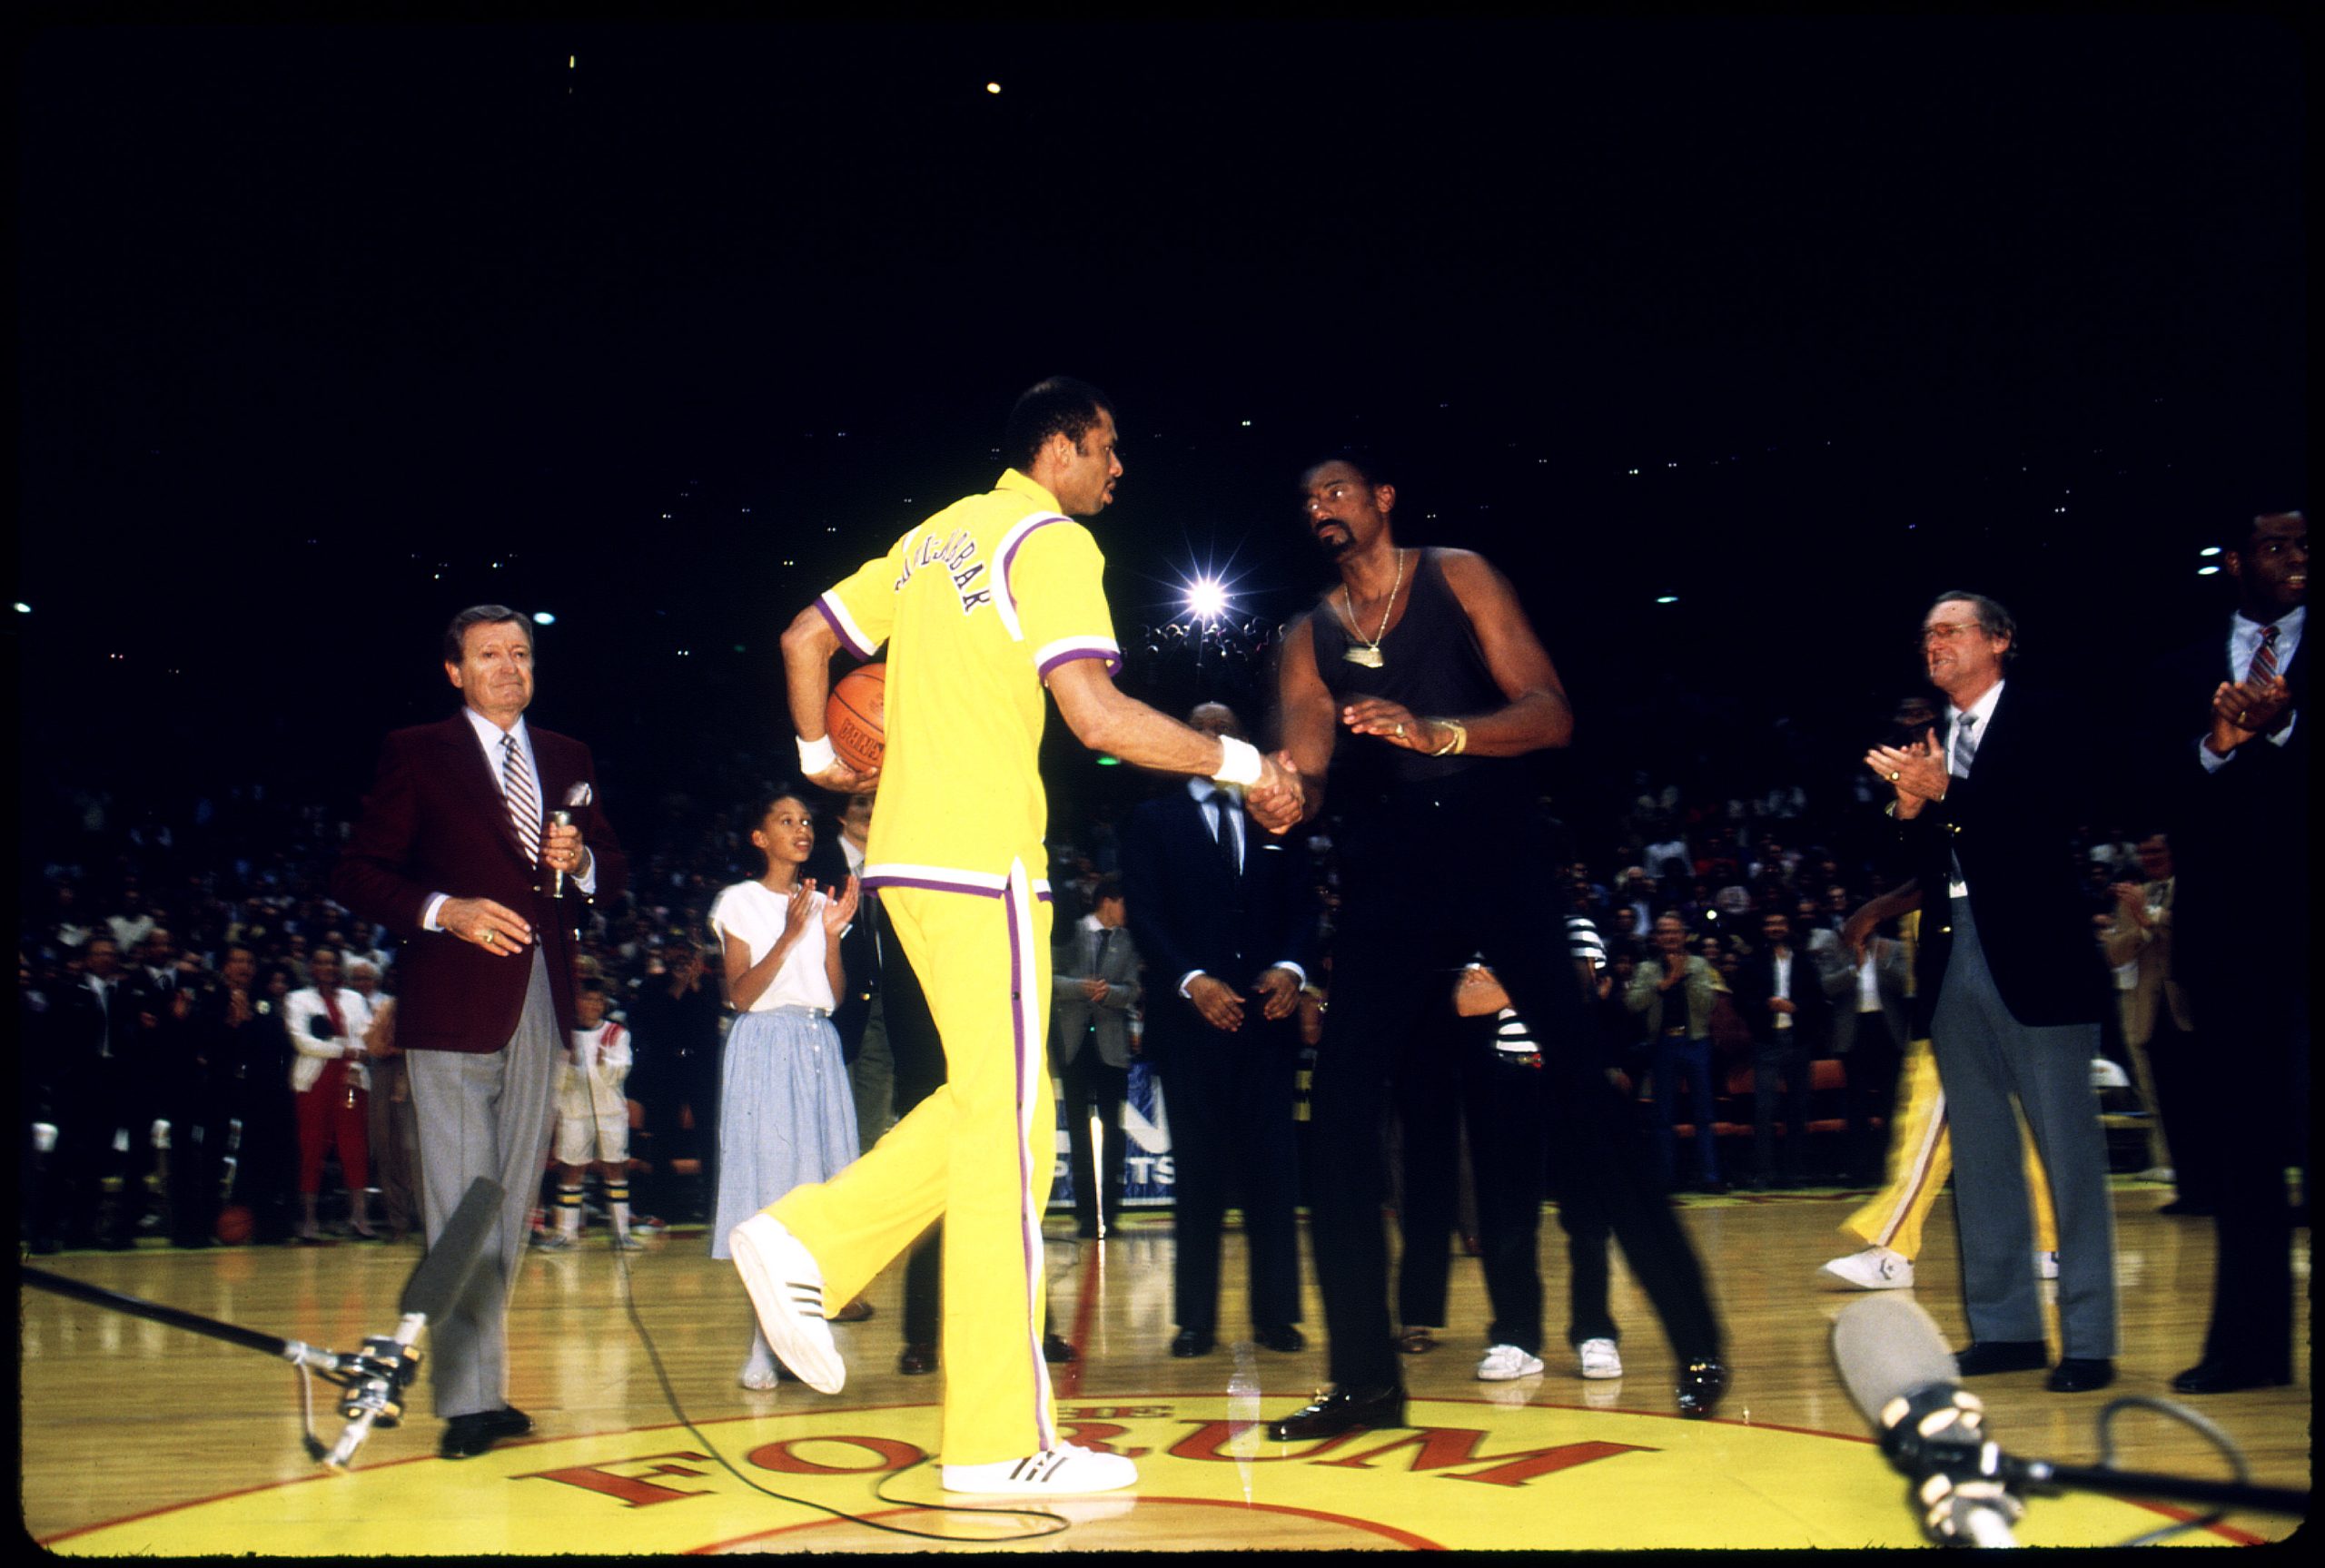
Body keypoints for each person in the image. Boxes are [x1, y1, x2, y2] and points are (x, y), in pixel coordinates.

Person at [734, 377, 1300, 1497]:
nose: (1117, 468)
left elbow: (804, 636)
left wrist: (815, 760)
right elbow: (1094, 718)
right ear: (1059, 448)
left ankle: (864, 1300)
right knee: (1006, 1134)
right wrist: (1242, 762)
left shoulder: (933, 533)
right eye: (1107, 447)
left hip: (901, 859)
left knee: (1002, 1117)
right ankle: (936, 1372)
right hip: (983, 860)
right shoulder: (1049, 539)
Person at [1264, 450, 1726, 1441]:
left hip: (1499, 860)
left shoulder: (1458, 573)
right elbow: (1302, 767)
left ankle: (1694, 1337)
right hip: (1388, 883)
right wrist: (1276, 796)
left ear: (1383, 498)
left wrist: (1440, 733)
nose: (1323, 508)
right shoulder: (1305, 636)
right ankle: (1363, 1379)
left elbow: (1549, 713)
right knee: (1339, 1122)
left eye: (1338, 490)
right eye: (1309, 501)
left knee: (1585, 1092)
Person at [331, 603, 628, 1459]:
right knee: (462, 1205)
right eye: (488, 654)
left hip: (544, 994)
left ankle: (484, 1387)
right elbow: (356, 871)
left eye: (521, 653)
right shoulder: (416, 751)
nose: (508, 666)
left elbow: (613, 867)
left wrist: (587, 866)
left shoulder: (569, 756)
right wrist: (443, 909)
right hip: (452, 999)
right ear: (454, 671)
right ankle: (464, 1401)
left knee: (505, 1208)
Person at [1865, 590, 2119, 1393]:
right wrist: (1908, 810)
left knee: (2069, 1156)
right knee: (1979, 1159)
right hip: (1950, 955)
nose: (1933, 644)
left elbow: (2043, 821)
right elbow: (1924, 853)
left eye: (1950, 630)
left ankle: (2088, 1339)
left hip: (2038, 957)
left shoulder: (2051, 715)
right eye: (1926, 635)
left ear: (2000, 640)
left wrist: (1944, 796)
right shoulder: (1931, 739)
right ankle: (2005, 1328)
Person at [2153, 505, 2306, 1394]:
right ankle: (2247, 1348)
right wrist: (2217, 743)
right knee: (2244, 1150)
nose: (2296, 559)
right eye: (2279, 546)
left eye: (2305, 545)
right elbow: (2144, 782)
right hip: (2229, 932)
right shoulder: (2180, 669)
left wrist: (2284, 728)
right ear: (2238, 560)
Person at [1121, 701, 1316, 1356]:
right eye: (1199, 728)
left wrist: (1291, 969)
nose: (1213, 736)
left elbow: (1305, 908)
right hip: (1190, 1023)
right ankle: (1195, 1319)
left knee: (1274, 1170)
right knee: (1199, 1169)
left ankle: (1277, 1314)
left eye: (1225, 728)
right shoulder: (1153, 820)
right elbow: (1145, 917)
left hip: (1267, 1019)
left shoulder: (1277, 813)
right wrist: (1193, 980)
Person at [707, 789, 861, 1390]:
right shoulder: (739, 901)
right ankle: (760, 1342)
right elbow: (740, 994)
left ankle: (799, 1333)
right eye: (784, 820)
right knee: (770, 1192)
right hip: (765, 1044)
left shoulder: (819, 900)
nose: (799, 829)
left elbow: (836, 995)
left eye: (804, 820)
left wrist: (826, 935)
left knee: (814, 1190)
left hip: (815, 1044)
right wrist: (790, 935)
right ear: (759, 837)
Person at [1050, 874, 1143, 1241]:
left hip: (1111, 1047)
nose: (1128, 912)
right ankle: (1086, 1216)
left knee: (1114, 1133)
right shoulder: (1069, 932)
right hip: (1073, 1046)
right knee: (1077, 1133)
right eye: (1125, 904)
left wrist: (1110, 993)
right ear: (1108, 901)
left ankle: (1113, 1213)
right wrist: (1080, 988)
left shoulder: (1130, 942)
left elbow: (1133, 990)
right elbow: (1048, 978)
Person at [539, 977, 642, 1251]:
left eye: (599, 1000)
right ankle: (565, 1234)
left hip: (610, 1112)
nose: (595, 1005)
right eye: (588, 999)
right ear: (576, 1002)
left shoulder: (616, 1033)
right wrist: (571, 1069)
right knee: (571, 1170)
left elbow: (620, 1070)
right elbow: (557, 1081)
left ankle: (621, 1233)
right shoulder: (564, 1035)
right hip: (574, 1112)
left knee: (615, 1169)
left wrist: (601, 1065)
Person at [1626, 914, 1725, 1194]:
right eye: (1664, 932)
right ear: (1656, 937)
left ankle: (1710, 1176)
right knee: (1663, 1116)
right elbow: (1633, 1004)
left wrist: (1685, 978)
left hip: (1696, 1042)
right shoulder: (1646, 969)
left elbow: (1708, 1005)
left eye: (1675, 932)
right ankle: (1665, 1179)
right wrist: (1667, 982)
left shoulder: (1700, 965)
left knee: (1704, 1113)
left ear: (1684, 935)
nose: (1670, 937)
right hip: (1663, 1045)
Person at [283, 945, 375, 1242]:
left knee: (354, 1147)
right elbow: (302, 1042)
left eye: (332, 963)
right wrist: (342, 1049)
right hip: (314, 1082)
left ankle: (358, 1218)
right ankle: (308, 1222)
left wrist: (351, 1057)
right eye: (320, 963)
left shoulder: (355, 999)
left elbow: (364, 1036)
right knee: (312, 1148)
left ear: (339, 967)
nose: (327, 968)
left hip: (350, 1079)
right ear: (311, 967)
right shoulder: (297, 999)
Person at [1736, 909, 1832, 1188]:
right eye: (1770, 922)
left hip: (1798, 1038)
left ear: (1788, 926)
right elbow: (1741, 1001)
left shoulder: (1804, 962)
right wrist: (1766, 1005)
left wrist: (1796, 1007)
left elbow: (1817, 998)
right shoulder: (1751, 962)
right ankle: (1764, 1173)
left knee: (1798, 1108)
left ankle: (1795, 1172)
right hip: (1766, 1039)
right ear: (1763, 928)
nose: (1775, 927)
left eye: (1780, 921)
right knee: (1764, 1109)